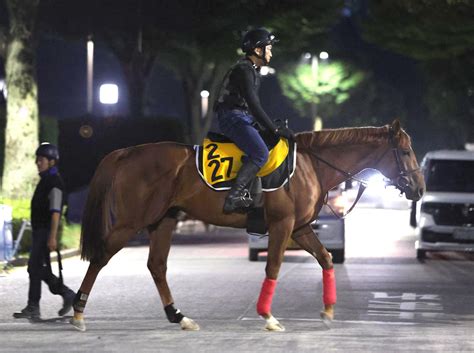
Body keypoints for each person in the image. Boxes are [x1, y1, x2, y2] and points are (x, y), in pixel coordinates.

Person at [214, 27, 295, 214]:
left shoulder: (250, 69)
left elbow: (251, 108)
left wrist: (271, 129)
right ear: (258, 50)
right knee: (260, 153)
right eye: (269, 49)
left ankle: (255, 194)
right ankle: (233, 198)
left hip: (240, 116)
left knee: (267, 143)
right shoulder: (244, 70)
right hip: (232, 118)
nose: (271, 53)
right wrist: (274, 129)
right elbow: (254, 104)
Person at [13, 143, 75, 320]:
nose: (37, 163)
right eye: (37, 160)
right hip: (40, 231)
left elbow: (55, 212)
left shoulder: (54, 182)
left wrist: (52, 237)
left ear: (52, 162)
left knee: (34, 267)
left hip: (46, 232)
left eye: (41, 160)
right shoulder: (46, 180)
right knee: (38, 268)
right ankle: (67, 294)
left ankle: (34, 306)